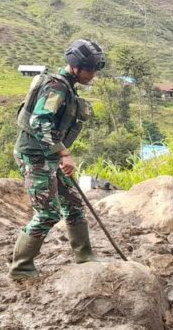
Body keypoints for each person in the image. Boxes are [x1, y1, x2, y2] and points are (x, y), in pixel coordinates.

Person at [10, 39, 106, 279]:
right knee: (47, 213)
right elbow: (39, 122)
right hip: (35, 156)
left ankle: (84, 255)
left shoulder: (67, 87)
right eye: (89, 70)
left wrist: (58, 154)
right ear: (75, 67)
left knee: (74, 203)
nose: (92, 75)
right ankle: (21, 268)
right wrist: (64, 153)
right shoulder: (56, 87)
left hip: (48, 155)